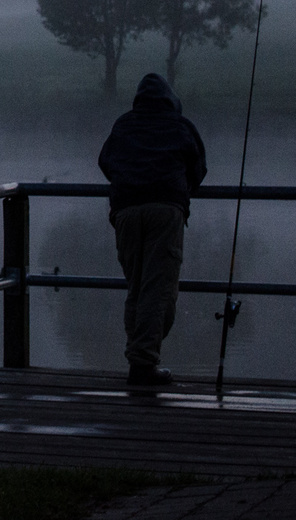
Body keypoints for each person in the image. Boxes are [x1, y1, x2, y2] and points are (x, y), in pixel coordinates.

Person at [98, 72, 207, 387]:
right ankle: (143, 364)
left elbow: (105, 161)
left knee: (138, 286)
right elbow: (198, 169)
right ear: (171, 100)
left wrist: (130, 178)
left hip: (126, 210)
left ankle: (138, 357)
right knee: (158, 289)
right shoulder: (180, 126)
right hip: (165, 210)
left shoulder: (123, 125)